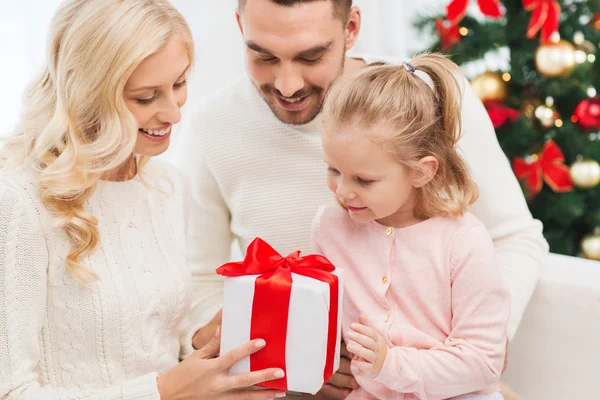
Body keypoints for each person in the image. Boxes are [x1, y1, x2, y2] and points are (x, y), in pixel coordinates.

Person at [175, 0, 548, 398]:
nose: (288, 84)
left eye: (312, 56)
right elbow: (197, 280)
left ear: (351, 27)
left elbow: (514, 238)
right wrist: (286, 351)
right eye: (262, 56)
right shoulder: (208, 128)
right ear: (239, 26)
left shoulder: (427, 100)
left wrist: (458, 353)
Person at [0, 1, 285, 399]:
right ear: (87, 93)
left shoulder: (167, 187)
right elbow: (11, 390)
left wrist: (205, 339)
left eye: (179, 84)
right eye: (146, 97)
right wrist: (162, 392)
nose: (173, 113)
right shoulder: (18, 200)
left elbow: (154, 341)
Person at [311, 53, 509, 399]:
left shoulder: (463, 242)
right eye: (333, 170)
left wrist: (392, 365)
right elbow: (317, 322)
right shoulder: (330, 227)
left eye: (364, 179)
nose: (343, 191)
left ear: (422, 171)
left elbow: (484, 360)